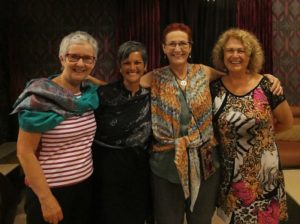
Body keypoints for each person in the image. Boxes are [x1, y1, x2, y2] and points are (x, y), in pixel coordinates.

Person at [140, 23, 283, 224]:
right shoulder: (154, 77)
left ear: (190, 47)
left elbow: (238, 78)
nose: (177, 49)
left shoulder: (204, 72)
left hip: (206, 163)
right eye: (172, 44)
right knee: (167, 220)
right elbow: (123, 84)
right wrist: (86, 79)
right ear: (164, 48)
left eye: (183, 43)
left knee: (201, 219)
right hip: (166, 165)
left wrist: (266, 78)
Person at [11, 31, 99, 224]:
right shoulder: (41, 96)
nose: (81, 63)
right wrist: (46, 199)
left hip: (85, 185)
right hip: (51, 190)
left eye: (87, 58)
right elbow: (24, 152)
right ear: (62, 58)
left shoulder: (88, 96)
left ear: (94, 62)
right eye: (74, 56)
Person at [210, 28, 294, 223]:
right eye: (230, 51)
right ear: (222, 55)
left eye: (241, 50)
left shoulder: (267, 85)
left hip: (265, 173)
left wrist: (265, 138)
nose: (235, 55)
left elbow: (287, 121)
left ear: (250, 55)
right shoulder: (214, 87)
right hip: (231, 173)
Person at [90, 41, 152, 224]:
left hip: (140, 167)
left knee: (137, 215)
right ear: (119, 66)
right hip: (108, 167)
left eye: (137, 62)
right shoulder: (103, 94)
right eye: (127, 63)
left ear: (145, 66)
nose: (132, 67)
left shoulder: (151, 96)